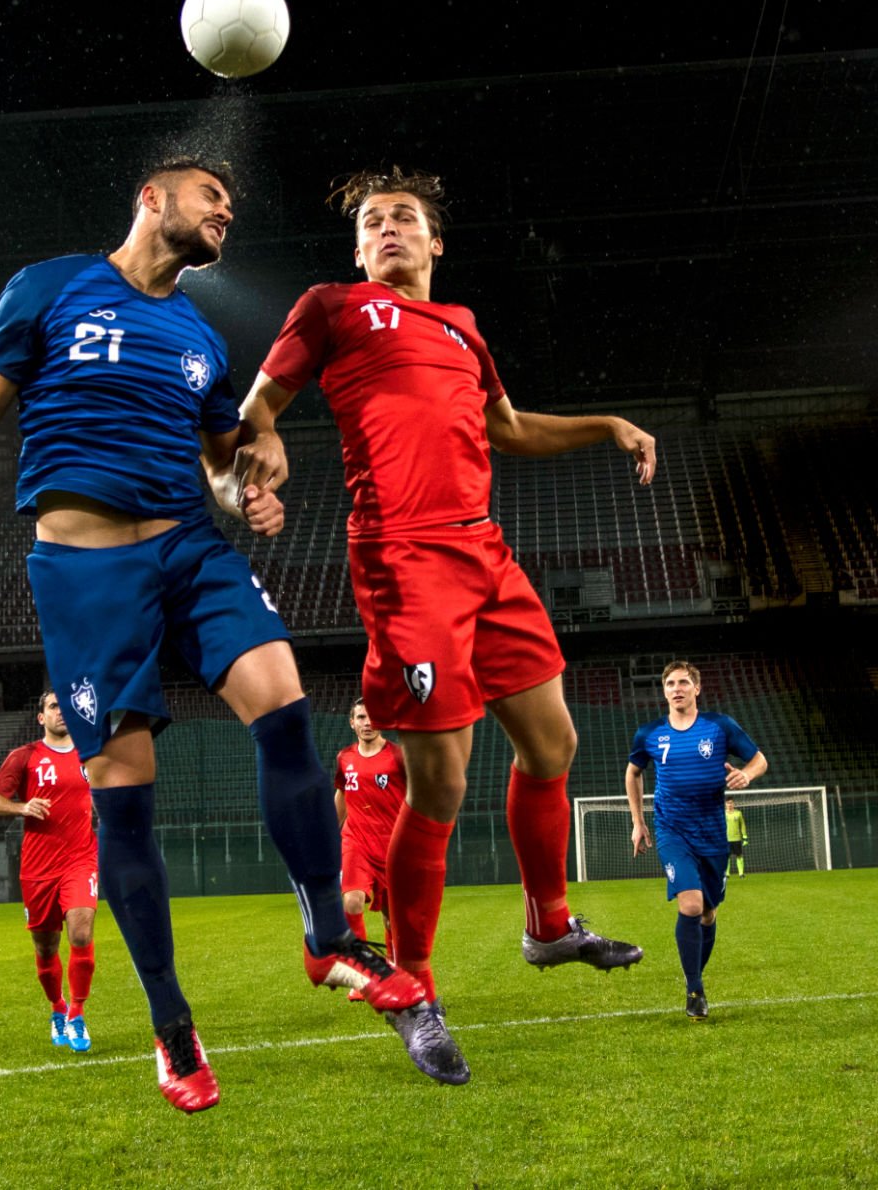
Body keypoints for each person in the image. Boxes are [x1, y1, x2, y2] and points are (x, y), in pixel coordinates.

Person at [0, 158, 420, 1114]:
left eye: (232, 205)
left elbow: (224, 469)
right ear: (150, 196)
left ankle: (328, 937)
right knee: (124, 802)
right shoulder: (50, 287)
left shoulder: (200, 338)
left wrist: (252, 489)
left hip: (191, 548)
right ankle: (173, 1028)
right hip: (87, 574)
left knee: (287, 705)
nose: (227, 211)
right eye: (210, 196)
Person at [235, 166, 652, 1086]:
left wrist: (606, 425)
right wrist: (259, 441)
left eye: (406, 219)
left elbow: (508, 429)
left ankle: (547, 922)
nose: (389, 229)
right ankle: (415, 986)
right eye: (374, 222)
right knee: (442, 781)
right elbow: (259, 404)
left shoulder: (463, 326)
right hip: (401, 558)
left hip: (486, 554)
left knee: (553, 744)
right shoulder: (332, 308)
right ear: (357, 249)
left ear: (435, 243)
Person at [627, 660, 767, 1020]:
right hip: (673, 830)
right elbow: (634, 773)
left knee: (708, 913)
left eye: (683, 682)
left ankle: (695, 976)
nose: (676, 688)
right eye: (670, 683)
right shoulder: (650, 733)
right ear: (664, 691)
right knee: (690, 906)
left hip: (712, 833)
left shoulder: (720, 727)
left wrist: (746, 776)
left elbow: (759, 760)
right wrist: (638, 822)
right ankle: (695, 991)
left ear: (696, 688)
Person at [0, 689, 99, 1053]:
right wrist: (22, 808)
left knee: (80, 932)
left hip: (81, 860)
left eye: (65, 707)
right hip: (38, 868)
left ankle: (77, 1015)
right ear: (41, 717)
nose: (61, 713)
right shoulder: (24, 757)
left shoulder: (90, 753)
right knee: (46, 946)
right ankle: (57, 1008)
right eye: (53, 707)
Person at [334, 697, 405, 989]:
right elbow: (342, 797)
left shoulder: (400, 756)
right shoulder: (345, 758)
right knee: (351, 900)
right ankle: (361, 972)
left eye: (372, 717)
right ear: (352, 723)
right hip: (356, 840)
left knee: (394, 919)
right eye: (361, 718)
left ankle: (394, 970)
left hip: (393, 844)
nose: (367, 723)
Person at [725, 797, 749, 877]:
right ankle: (727, 874)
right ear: (725, 804)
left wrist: (744, 836)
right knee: (726, 857)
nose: (730, 804)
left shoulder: (738, 813)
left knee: (739, 855)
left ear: (733, 804)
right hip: (726, 839)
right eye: (728, 803)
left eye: (731, 803)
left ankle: (741, 873)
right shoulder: (723, 814)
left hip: (737, 838)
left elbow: (742, 825)